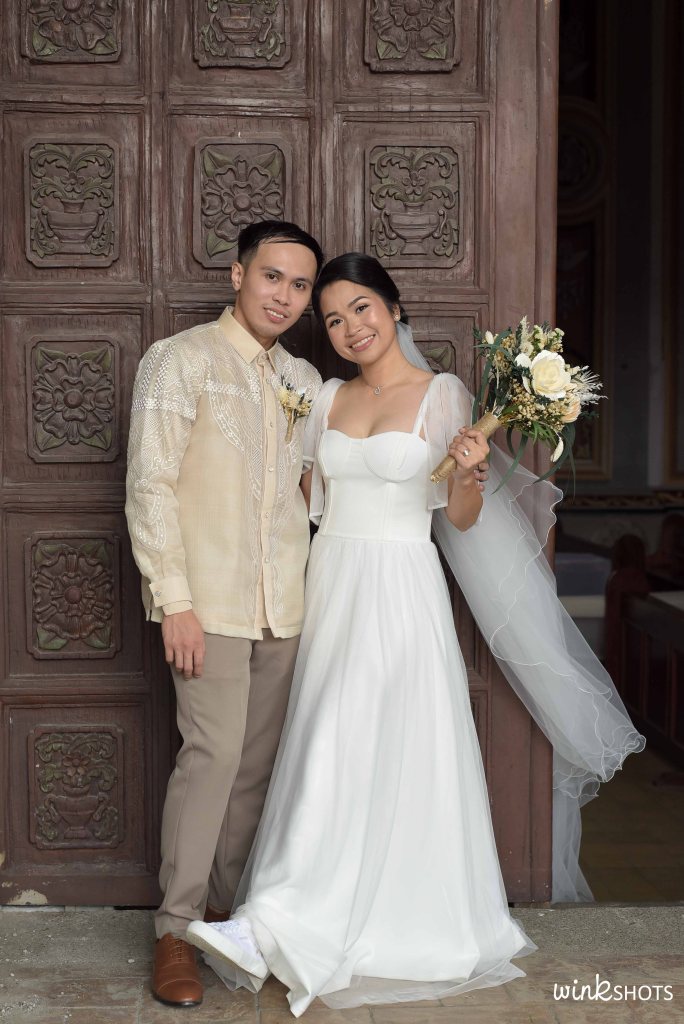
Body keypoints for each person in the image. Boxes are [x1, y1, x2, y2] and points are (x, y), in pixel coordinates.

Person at [185, 253, 645, 1016]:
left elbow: (458, 518)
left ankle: (287, 922)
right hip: (332, 586)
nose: (350, 328)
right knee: (328, 742)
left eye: (361, 308)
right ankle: (283, 918)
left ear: (394, 309)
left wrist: (467, 471)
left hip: (402, 587)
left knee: (385, 748)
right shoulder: (325, 397)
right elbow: (303, 504)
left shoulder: (444, 394)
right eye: (333, 319)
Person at [125, 223, 492, 1008]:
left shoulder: (302, 379)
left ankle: (229, 917)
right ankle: (175, 929)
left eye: (303, 289)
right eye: (276, 279)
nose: (288, 297)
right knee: (213, 758)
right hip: (220, 598)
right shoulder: (181, 360)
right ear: (238, 276)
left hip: (299, 603)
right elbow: (150, 485)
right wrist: (174, 600)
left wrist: (470, 474)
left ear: (392, 309)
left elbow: (314, 499)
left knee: (260, 769)